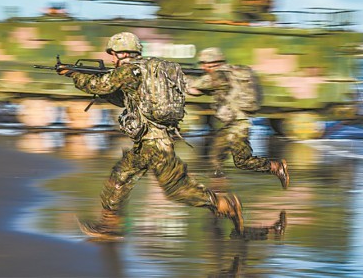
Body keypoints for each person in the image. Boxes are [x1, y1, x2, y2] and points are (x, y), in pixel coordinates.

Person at [57, 32, 244, 238]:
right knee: (121, 176)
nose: (111, 59)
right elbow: (124, 99)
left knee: (175, 188)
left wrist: (73, 74)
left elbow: (98, 85)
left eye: (113, 54)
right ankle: (110, 224)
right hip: (150, 140)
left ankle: (224, 205)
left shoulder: (129, 70)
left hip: (154, 143)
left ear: (124, 53)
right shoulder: (146, 69)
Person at [186, 47, 290, 189]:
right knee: (216, 156)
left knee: (242, 160)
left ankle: (276, 167)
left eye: (204, 63)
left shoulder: (218, 76)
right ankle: (218, 190)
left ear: (211, 63)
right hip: (234, 124)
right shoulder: (232, 73)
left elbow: (193, 89)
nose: (202, 67)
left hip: (236, 126)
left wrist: (179, 78)